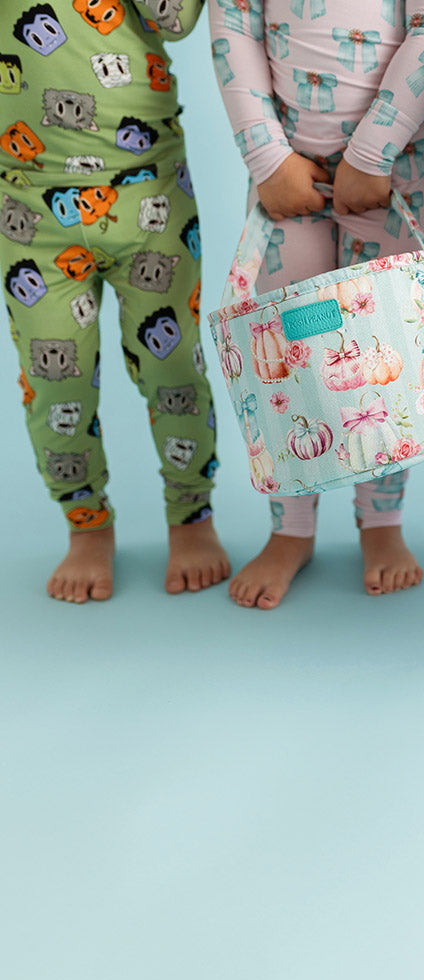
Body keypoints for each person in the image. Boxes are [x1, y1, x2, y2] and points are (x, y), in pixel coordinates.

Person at [209, 0, 424, 608]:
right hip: (287, 169)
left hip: (393, 164)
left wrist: (373, 152)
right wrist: (268, 159)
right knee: (288, 350)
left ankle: (381, 520)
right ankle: (290, 529)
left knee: (384, 343)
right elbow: (233, 23)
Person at [2, 0, 229, 603]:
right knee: (56, 383)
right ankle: (87, 525)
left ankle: (191, 517)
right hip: (27, 205)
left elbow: (175, 19)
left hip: (148, 186)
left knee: (173, 366)